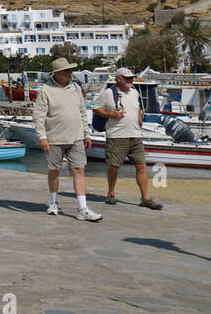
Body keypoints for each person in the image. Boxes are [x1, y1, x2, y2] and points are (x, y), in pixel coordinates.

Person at [33, 57, 102, 221]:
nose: (70, 74)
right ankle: (53, 202)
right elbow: (39, 116)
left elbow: (82, 112)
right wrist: (42, 136)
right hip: (54, 138)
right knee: (54, 171)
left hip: (76, 136)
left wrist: (87, 133)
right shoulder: (45, 90)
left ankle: (82, 208)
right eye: (67, 71)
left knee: (79, 169)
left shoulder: (76, 88)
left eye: (71, 71)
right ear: (57, 73)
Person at [95, 68, 162, 209]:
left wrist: (140, 120)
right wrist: (111, 115)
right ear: (118, 78)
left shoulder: (134, 92)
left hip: (135, 135)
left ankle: (145, 198)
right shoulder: (108, 93)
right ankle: (111, 193)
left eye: (132, 78)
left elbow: (137, 107)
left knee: (141, 166)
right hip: (117, 136)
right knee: (114, 166)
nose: (131, 80)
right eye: (127, 78)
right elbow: (96, 108)